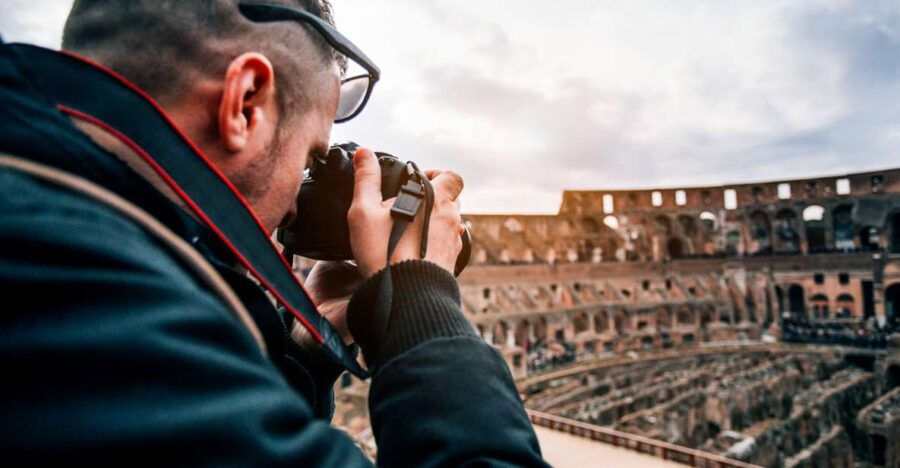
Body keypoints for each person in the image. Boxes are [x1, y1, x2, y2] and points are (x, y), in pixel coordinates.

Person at [0, 1, 547, 465]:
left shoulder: (51, 224)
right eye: (311, 158)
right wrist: (423, 309)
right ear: (244, 103)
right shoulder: (87, 295)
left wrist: (305, 353)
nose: (294, 204)